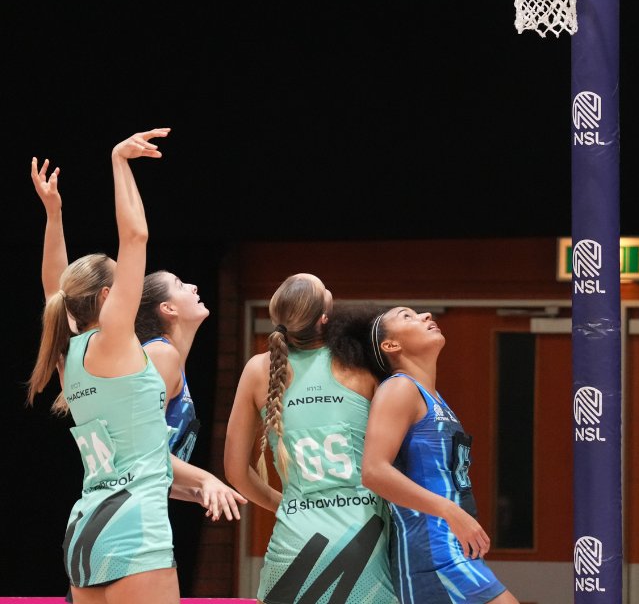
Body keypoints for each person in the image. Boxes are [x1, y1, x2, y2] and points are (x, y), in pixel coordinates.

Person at [26, 129, 242, 601]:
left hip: (84, 531)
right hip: (134, 526)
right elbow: (136, 234)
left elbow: (53, 285)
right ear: (108, 297)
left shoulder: (69, 354)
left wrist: (55, 214)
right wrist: (119, 161)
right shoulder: (115, 342)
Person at [223, 275, 397, 604]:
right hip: (363, 537)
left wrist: (285, 505)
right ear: (325, 317)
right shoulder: (360, 364)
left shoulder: (258, 369)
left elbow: (234, 471)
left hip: (295, 538)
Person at [361, 305, 521, 604]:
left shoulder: (434, 397)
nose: (425, 317)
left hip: (453, 549)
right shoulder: (399, 388)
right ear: (390, 345)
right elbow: (373, 471)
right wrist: (449, 510)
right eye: (407, 316)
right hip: (431, 553)